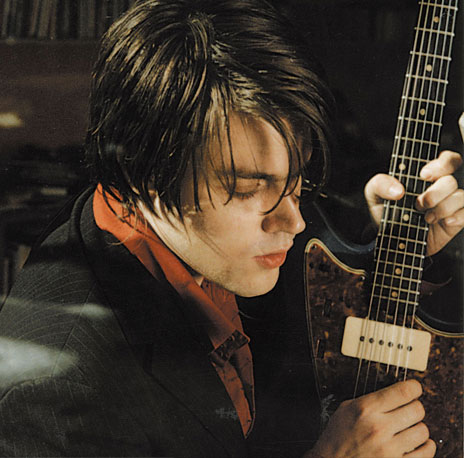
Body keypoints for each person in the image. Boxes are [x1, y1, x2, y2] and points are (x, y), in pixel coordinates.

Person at [0, 1, 462, 457]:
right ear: (146, 172)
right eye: (248, 189)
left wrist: (394, 238)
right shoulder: (57, 401)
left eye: (297, 180)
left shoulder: (198, 227)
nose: (295, 221)